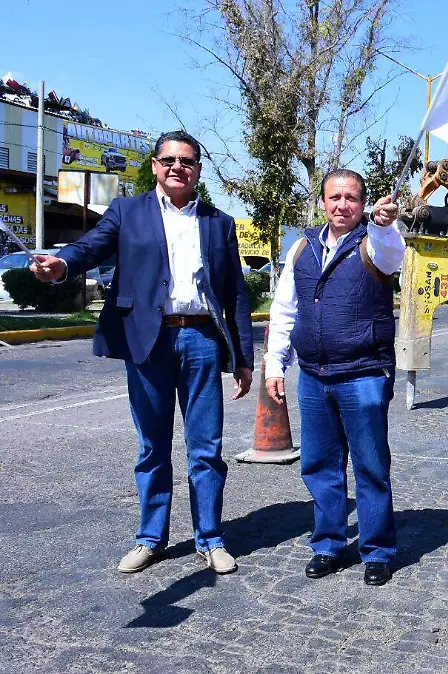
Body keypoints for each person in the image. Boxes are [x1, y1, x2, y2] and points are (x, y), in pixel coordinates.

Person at [30, 130, 254, 575]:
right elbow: (90, 247)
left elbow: (236, 294)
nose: (177, 167)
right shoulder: (128, 211)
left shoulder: (218, 222)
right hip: (148, 340)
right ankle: (151, 538)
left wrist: (243, 357)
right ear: (154, 165)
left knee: (206, 447)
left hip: (202, 340)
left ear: (198, 170)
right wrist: (62, 265)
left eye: (186, 161)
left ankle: (210, 538)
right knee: (152, 445)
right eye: (169, 159)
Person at [263, 169, 404, 586]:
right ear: (322, 202)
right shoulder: (302, 247)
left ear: (363, 204)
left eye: (352, 198)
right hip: (313, 374)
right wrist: (275, 362)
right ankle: (328, 544)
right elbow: (285, 308)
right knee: (320, 465)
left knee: (371, 465)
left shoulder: (374, 242)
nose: (343, 205)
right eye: (335, 197)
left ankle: (377, 550)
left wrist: (384, 223)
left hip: (362, 373)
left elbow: (391, 253)